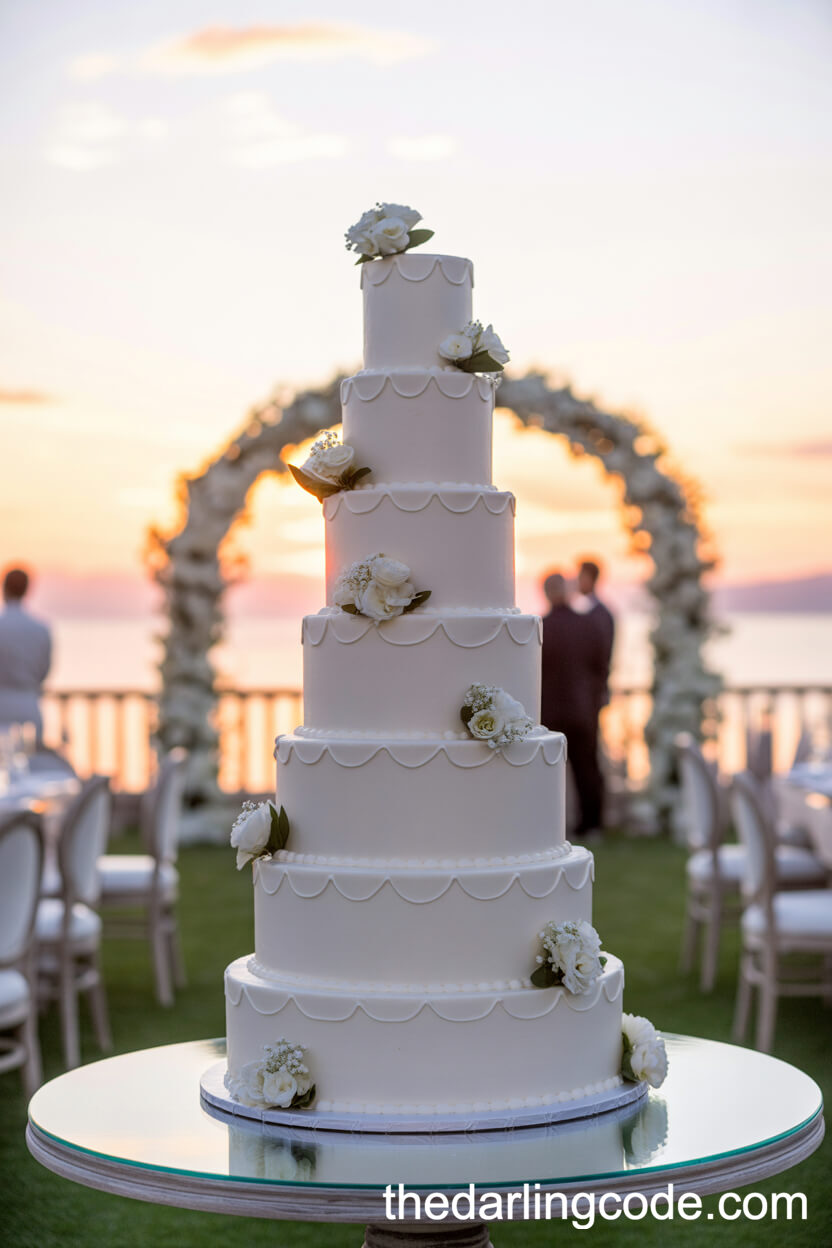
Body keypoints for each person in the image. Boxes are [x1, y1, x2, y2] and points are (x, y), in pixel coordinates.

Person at [540, 571, 608, 837]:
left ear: (546, 593)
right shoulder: (589, 625)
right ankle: (592, 826)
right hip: (583, 709)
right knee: (587, 769)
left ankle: (549, 827)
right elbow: (601, 667)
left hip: (550, 712)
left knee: (547, 772)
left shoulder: (541, 627)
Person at [0, 567, 52, 742]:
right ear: (27, 590)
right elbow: (45, 669)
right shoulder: (41, 629)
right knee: (31, 764)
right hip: (29, 705)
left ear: (4, 588)